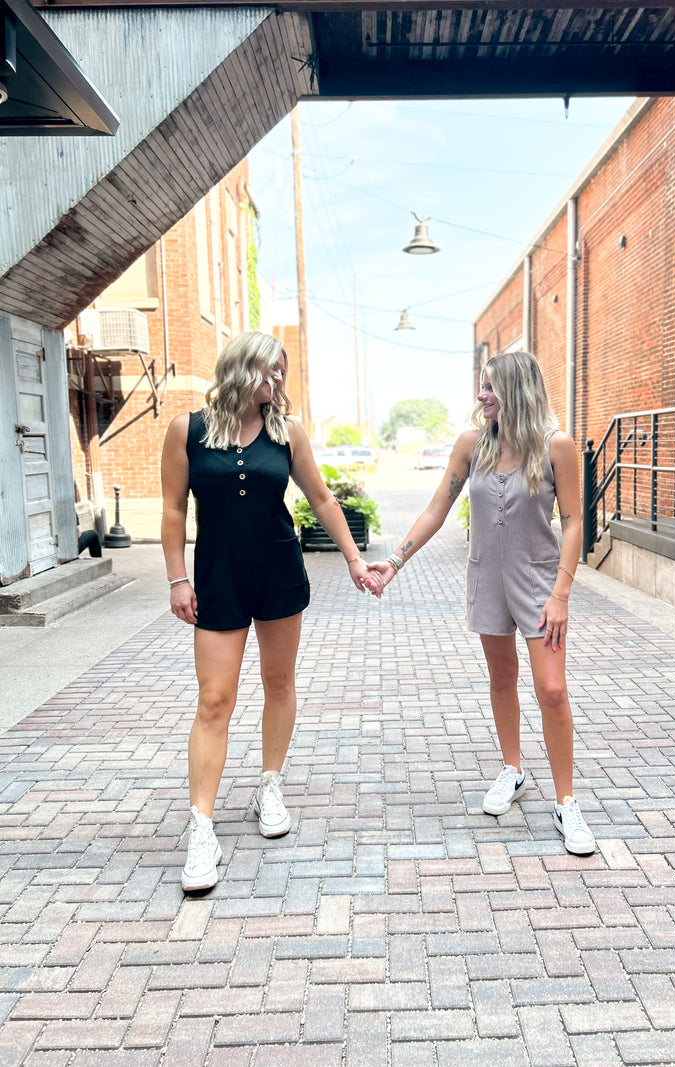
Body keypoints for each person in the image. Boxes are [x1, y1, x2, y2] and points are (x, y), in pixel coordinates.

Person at [161, 331, 381, 892]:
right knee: (215, 698)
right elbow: (171, 510)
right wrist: (176, 579)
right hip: (217, 577)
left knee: (278, 681)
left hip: (279, 570)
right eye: (271, 368)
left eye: (283, 371)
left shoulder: (288, 433)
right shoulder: (187, 431)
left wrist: (355, 560)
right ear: (240, 366)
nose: (279, 379)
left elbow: (323, 499)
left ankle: (269, 784)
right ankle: (202, 826)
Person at [368, 351, 595, 855]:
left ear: (516, 390)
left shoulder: (556, 446)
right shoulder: (472, 445)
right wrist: (395, 562)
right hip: (485, 577)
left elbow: (575, 521)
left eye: (490, 386)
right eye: (480, 385)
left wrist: (562, 594)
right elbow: (437, 507)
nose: (481, 395)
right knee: (502, 677)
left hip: (540, 584)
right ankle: (512, 769)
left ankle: (566, 801)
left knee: (552, 689)